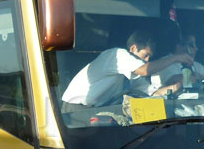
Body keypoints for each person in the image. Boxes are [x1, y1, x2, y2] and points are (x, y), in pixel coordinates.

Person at [61, 30, 193, 109]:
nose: (146, 60)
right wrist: (175, 58)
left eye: (149, 57)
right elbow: (145, 70)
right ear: (133, 48)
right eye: (145, 55)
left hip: (95, 111)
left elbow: (150, 93)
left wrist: (177, 86)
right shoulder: (116, 55)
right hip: (76, 109)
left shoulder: (131, 74)